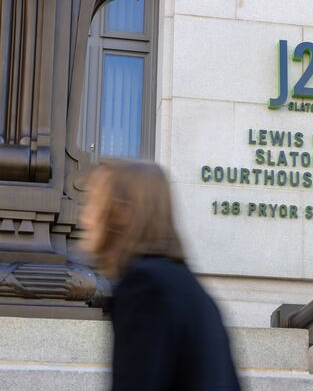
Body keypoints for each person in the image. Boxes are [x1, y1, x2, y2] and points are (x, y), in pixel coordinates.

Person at [80, 160, 241, 391]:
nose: (85, 217)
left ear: (121, 211)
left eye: (94, 204)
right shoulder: (183, 283)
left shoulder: (145, 286)